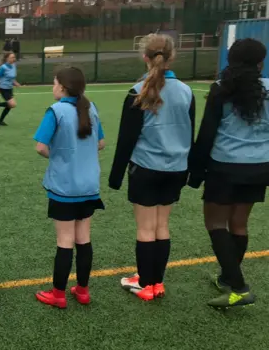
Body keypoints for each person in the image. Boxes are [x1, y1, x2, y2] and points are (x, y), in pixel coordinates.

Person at [108, 33, 195, 301]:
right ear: (172, 56)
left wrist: (115, 176)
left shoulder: (138, 91)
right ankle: (156, 282)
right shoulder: (186, 91)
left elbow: (126, 139)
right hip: (176, 169)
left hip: (145, 169)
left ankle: (146, 284)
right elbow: (189, 134)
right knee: (162, 226)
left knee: (146, 229)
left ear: (144, 57)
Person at [188, 38, 269, 309]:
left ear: (230, 60)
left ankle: (238, 287)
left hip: (224, 166)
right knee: (239, 224)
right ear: (261, 62)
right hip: (259, 167)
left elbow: (207, 133)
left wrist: (195, 172)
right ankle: (226, 279)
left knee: (215, 224)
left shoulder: (221, 89)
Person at [34, 67, 105, 309]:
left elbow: (41, 147)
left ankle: (58, 294)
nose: (52, 88)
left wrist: (62, 157)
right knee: (83, 238)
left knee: (65, 240)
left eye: (54, 83)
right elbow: (102, 143)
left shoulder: (56, 111)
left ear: (63, 87)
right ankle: (83, 290)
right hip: (89, 187)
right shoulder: (91, 108)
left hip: (64, 187)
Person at [0, 52, 21, 126]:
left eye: (14, 57)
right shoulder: (3, 67)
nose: (14, 59)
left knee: (10, 105)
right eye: (12, 57)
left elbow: (11, 78)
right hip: (3, 88)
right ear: (7, 58)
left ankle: (0, 121)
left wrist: (16, 83)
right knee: (13, 104)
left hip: (9, 88)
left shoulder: (14, 65)